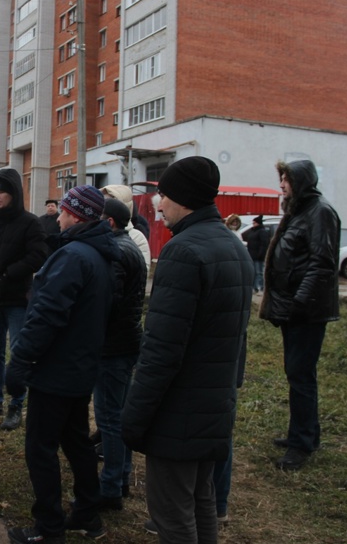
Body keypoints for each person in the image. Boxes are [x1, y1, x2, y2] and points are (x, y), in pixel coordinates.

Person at [121, 156, 253, 543]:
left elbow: (162, 350)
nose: (159, 205)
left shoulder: (183, 252)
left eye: (164, 196)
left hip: (178, 410)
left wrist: (134, 416)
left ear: (183, 199)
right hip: (214, 403)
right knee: (201, 501)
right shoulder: (233, 246)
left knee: (172, 514)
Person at [5, 185, 119, 544]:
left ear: (76, 214)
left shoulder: (73, 256)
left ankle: (48, 529)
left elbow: (47, 315)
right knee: (77, 442)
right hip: (81, 366)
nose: (58, 215)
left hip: (57, 369)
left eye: (64, 210)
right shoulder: (99, 254)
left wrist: (21, 359)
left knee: (40, 448)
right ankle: (88, 514)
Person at [260, 160, 340, 471]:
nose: (281, 185)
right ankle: (305, 434)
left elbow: (322, 264)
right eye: (280, 178)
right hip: (296, 311)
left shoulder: (319, 211)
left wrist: (297, 305)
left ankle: (302, 444)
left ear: (301, 181)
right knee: (299, 375)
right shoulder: (301, 211)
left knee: (301, 376)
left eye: (286, 179)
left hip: (306, 313)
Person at [0, 168, 48, 431]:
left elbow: (38, 255)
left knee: (17, 352)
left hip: (17, 299)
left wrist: (9, 273)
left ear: (14, 193)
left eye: (2, 191)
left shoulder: (30, 223)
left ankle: (16, 405)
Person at [93, 197, 147, 511]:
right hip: (126, 342)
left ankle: (111, 486)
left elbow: (109, 303)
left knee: (110, 419)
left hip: (113, 346)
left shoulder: (116, 253)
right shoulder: (129, 247)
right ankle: (122, 477)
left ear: (109, 222)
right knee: (120, 416)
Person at [101, 184, 151, 270]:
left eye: (110, 201)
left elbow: (143, 272)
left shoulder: (137, 237)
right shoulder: (96, 233)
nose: (103, 206)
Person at [242, 215, 271, 293]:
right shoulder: (253, 231)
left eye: (254, 223)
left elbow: (264, 244)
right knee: (254, 272)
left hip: (258, 256)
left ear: (258, 223)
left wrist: (260, 254)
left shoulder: (262, 232)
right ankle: (254, 287)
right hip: (252, 255)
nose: (253, 224)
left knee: (259, 272)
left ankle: (261, 287)